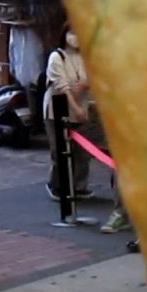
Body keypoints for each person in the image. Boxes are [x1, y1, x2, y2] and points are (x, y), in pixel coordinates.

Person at [43, 24, 93, 199]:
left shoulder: (85, 57)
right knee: (60, 150)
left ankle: (79, 186)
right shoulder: (57, 57)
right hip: (58, 108)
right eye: (72, 33)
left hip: (81, 107)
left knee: (82, 151)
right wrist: (76, 108)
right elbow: (62, 87)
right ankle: (57, 185)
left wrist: (87, 85)